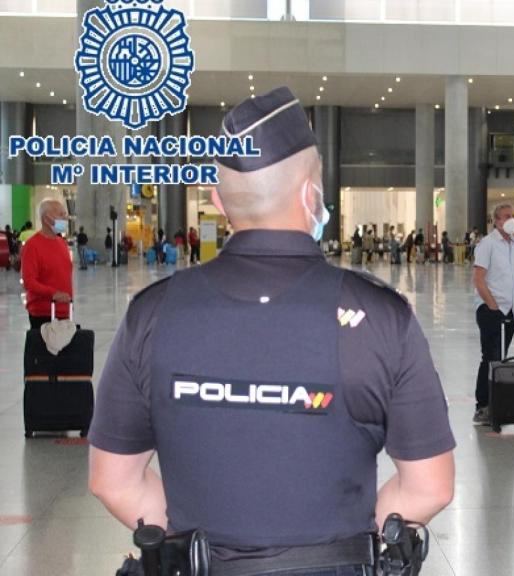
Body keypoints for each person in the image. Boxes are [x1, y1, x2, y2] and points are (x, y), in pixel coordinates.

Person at [88, 87, 456, 576]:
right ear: (311, 194)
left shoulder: (153, 314)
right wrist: (349, 540)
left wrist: (196, 547)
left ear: (218, 201)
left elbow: (113, 480)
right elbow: (430, 485)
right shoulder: (379, 317)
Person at [471, 203, 514, 425]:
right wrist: (492, 306)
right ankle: (482, 405)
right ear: (496, 220)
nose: (511, 219)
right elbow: (479, 279)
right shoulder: (488, 244)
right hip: (491, 310)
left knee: (500, 359)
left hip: (510, 311)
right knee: (490, 358)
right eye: (506, 216)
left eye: (513, 216)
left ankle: (497, 402)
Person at [20, 199, 73, 330]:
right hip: (43, 313)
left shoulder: (62, 243)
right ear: (46, 218)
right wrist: (53, 293)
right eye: (61, 214)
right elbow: (29, 281)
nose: (65, 218)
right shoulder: (32, 246)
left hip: (65, 310)